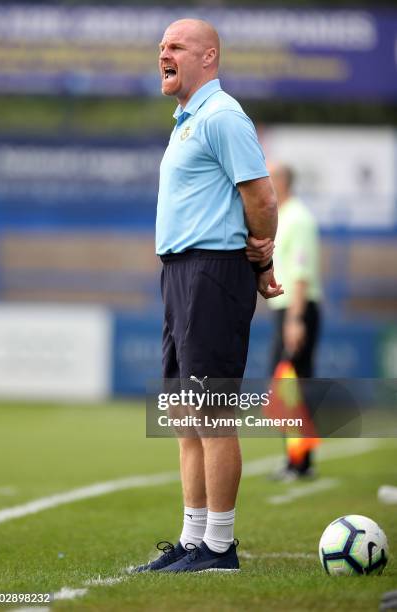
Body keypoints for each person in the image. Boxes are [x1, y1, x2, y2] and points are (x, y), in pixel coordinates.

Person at [135, 18, 282, 573]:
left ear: (209, 57)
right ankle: (193, 538)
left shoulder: (222, 116)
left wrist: (263, 262)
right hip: (180, 272)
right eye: (161, 47)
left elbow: (262, 198)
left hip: (212, 271)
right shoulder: (187, 121)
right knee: (183, 412)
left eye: (175, 46)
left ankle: (219, 546)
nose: (163, 54)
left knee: (213, 411)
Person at [248, 163, 322, 481]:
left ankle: (300, 462)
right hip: (286, 310)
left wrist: (295, 319)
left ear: (281, 182)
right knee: (285, 388)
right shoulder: (286, 217)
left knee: (290, 388)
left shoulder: (300, 219)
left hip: (298, 309)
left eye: (269, 177)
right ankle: (296, 460)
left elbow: (302, 273)